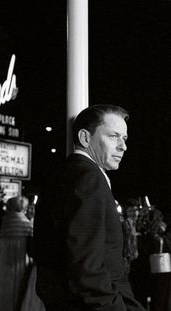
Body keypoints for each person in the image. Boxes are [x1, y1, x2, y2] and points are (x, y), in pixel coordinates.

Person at [34, 104, 146, 311]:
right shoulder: (89, 178)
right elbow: (86, 267)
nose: (123, 146)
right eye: (114, 136)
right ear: (85, 138)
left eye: (125, 138)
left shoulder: (66, 174)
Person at [0, 196, 33, 311]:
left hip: (4, 264)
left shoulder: (4, 223)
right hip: (20, 264)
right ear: (24, 208)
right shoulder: (26, 224)